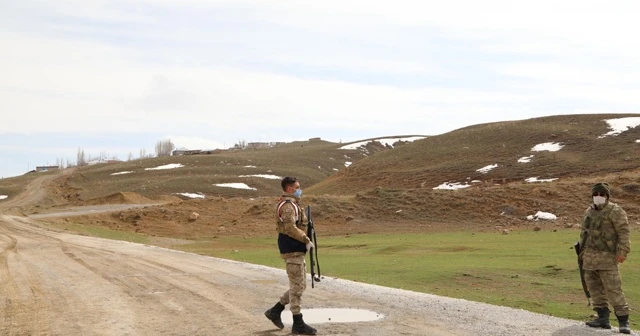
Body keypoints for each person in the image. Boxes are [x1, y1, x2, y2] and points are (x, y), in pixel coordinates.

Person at [264, 176, 317, 335]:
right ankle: (297, 322)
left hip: (296, 249)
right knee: (297, 286)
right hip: (292, 249)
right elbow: (290, 228)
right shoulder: (288, 206)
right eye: (297, 187)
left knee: (300, 285)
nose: (299, 189)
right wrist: (306, 240)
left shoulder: (293, 205)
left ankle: (276, 310)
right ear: (289, 189)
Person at [579, 182, 631, 334]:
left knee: (614, 289)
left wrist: (623, 251)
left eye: (602, 194)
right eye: (596, 194)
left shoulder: (615, 211)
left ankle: (623, 321)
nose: (598, 197)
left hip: (608, 258)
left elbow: (624, 232)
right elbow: (584, 233)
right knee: (595, 289)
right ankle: (602, 319)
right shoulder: (589, 211)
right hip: (589, 258)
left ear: (607, 196)